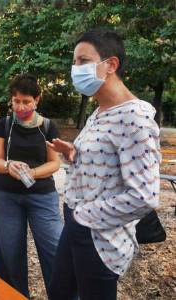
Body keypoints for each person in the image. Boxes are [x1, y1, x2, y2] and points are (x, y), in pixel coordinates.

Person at [47, 28, 161, 300]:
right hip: (76, 221)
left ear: (111, 64)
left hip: (99, 237)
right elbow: (108, 162)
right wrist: (74, 154)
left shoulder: (135, 118)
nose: (75, 69)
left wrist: (84, 218)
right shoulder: (99, 111)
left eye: (83, 61)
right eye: (74, 62)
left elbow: (145, 197)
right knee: (59, 293)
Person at [0, 73, 63, 298]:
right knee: (9, 252)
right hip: (5, 195)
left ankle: (63, 294)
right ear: (11, 100)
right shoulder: (3, 125)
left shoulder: (48, 127)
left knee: (55, 249)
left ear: (37, 100)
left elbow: (54, 163)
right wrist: (8, 165)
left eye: (26, 101)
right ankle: (15, 295)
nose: (20, 106)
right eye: (16, 101)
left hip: (42, 195)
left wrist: (31, 172)